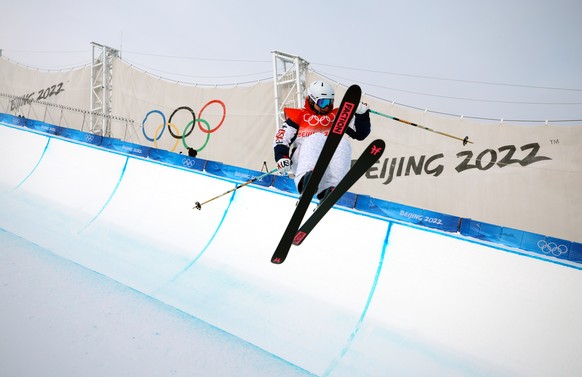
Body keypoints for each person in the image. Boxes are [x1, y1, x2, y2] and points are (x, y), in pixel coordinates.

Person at [273, 80, 371, 201]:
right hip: (304, 158)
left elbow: (360, 134)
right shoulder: (299, 115)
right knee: (316, 138)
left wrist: (362, 116)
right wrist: (281, 156)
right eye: (323, 102)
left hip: (328, 162)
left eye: (330, 102)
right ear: (311, 100)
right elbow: (282, 137)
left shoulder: (338, 115)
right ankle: (306, 180)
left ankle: (330, 188)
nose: (327, 107)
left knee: (343, 143)